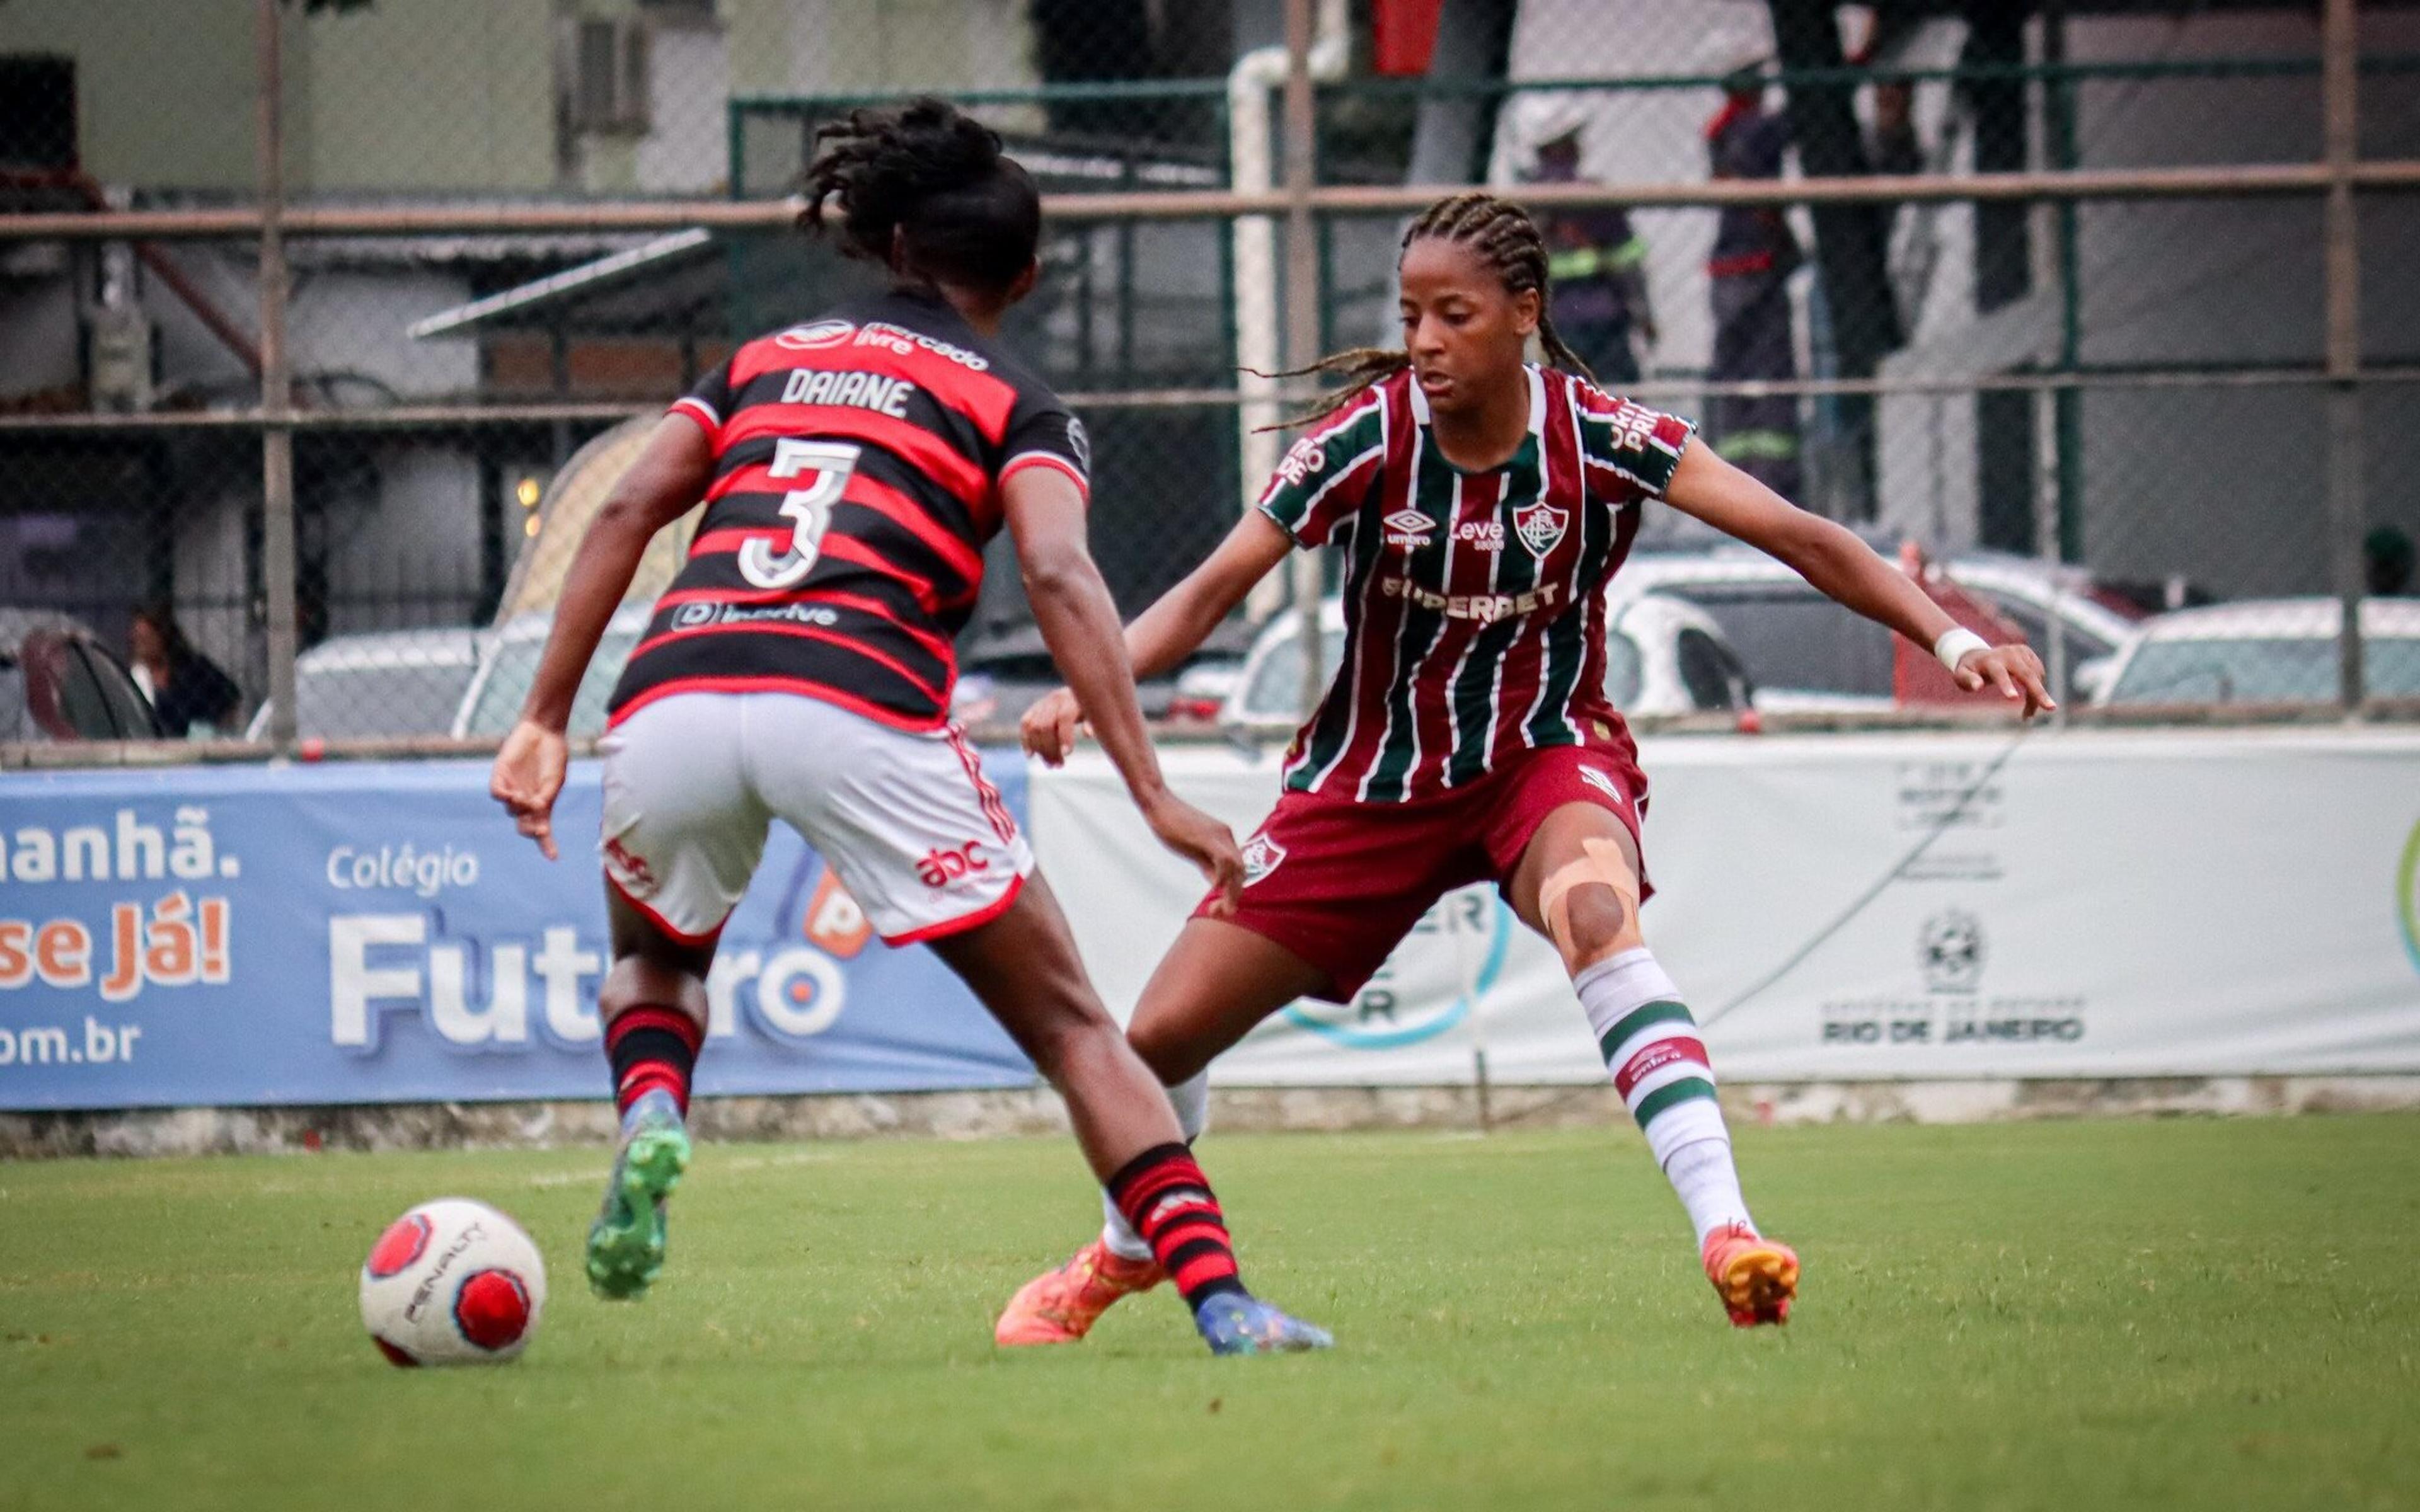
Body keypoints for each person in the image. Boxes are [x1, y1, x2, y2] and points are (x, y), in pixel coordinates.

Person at [993, 190, 2051, 1346]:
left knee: (1598, 914)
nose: (1426, 341)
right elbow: (1206, 594)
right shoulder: (1363, 441)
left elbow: (1807, 538)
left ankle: (1730, 1232)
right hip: (1372, 784)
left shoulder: (1602, 435)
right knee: (1157, 1043)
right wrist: (1090, 694)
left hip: (1543, 758)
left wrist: (1955, 640)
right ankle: (1128, 1251)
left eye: (1455, 314)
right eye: (1411, 315)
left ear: (1525, 315)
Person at [487, 98, 1328, 1356]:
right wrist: (1152, 790)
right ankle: (1223, 1304)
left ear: (889, 249)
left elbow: (620, 516)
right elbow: (1058, 573)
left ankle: (655, 1107)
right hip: (858, 703)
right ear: (1027, 277)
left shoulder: (760, 362)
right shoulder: (1018, 402)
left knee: (657, 963)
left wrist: (541, 719)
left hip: (674, 692)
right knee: (1073, 1030)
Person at [1705, 64, 1804, 500]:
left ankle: (1735, 483)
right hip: (1758, 267)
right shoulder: (1754, 129)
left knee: (1734, 378)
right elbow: (1802, 115)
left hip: (1729, 271)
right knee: (1771, 374)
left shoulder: (1720, 130)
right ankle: (1774, 485)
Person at [1521, 115, 1656, 387]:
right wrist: (1644, 314)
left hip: (1555, 319)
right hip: (1605, 314)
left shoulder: (1525, 203)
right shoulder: (1595, 196)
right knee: (1618, 400)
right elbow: (1627, 261)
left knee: (1565, 402)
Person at [129, 602, 241, 738]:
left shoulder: (193, 669)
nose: (141, 647)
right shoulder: (136, 676)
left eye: (146, 639)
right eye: (138, 639)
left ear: (162, 637)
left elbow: (231, 699)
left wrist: (211, 733)